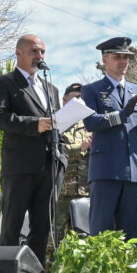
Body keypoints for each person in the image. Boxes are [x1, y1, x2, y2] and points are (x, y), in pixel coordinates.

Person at [0, 34, 65, 269]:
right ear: (18, 53)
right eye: (34, 51)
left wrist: (63, 158)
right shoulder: (4, 82)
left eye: (42, 52)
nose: (39, 56)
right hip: (19, 167)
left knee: (42, 228)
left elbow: (57, 123)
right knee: (12, 225)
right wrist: (34, 124)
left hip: (49, 165)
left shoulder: (51, 88)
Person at [82, 37, 137, 238]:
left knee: (130, 235)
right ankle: (101, 272)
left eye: (126, 58)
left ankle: (128, 272)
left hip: (134, 171)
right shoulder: (92, 90)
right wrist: (122, 115)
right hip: (106, 171)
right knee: (101, 235)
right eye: (118, 57)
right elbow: (90, 122)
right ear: (105, 60)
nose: (123, 62)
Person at [54, 83, 91, 241]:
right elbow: (54, 150)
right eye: (75, 98)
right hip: (62, 193)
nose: (79, 101)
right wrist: (81, 147)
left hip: (84, 192)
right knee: (52, 240)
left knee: (81, 241)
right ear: (64, 99)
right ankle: (46, 267)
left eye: (82, 98)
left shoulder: (89, 125)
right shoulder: (56, 122)